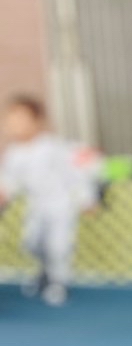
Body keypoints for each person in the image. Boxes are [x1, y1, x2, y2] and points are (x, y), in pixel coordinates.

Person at [1, 94, 98, 307]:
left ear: (37, 121)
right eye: (11, 120)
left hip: (61, 205)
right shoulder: (14, 153)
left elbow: (75, 174)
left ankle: (58, 282)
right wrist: (4, 193)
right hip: (37, 205)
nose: (15, 125)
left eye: (21, 119)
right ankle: (45, 272)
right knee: (31, 244)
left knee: (58, 246)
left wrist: (86, 199)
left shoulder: (53, 147)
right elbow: (9, 180)